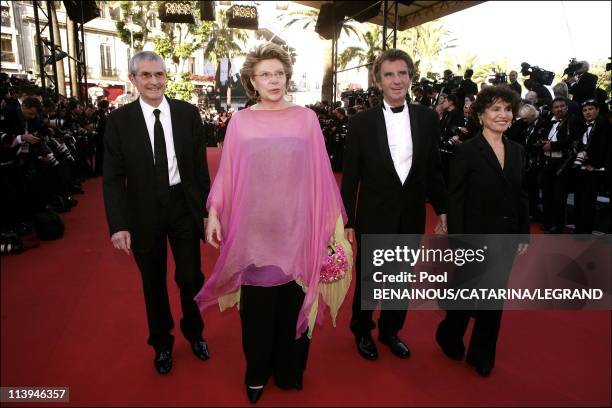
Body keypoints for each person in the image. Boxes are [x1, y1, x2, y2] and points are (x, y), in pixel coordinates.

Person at [194, 43, 351, 404]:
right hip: (255, 231)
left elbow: (321, 173)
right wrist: (215, 212)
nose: (273, 80)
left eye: (278, 73)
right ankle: (257, 372)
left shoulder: (306, 119)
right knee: (259, 308)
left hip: (298, 228)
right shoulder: (241, 121)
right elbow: (229, 174)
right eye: (265, 74)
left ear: (287, 76)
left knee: (294, 302)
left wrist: (331, 222)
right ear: (252, 80)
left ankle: (289, 369)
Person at [103, 51, 211, 375]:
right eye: (146, 75)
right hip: (142, 212)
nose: (154, 81)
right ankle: (162, 343)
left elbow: (200, 170)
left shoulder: (188, 114)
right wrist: (118, 224)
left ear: (166, 77)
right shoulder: (119, 122)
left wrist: (207, 213)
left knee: (191, 277)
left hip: (182, 207)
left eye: (159, 74)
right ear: (134, 79)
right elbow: (111, 178)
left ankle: (195, 332)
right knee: (153, 283)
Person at [341, 49, 448, 362]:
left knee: (401, 278)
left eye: (402, 73)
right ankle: (362, 329)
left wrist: (443, 209)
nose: (397, 80)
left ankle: (390, 331)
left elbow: (434, 169)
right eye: (389, 74)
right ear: (378, 81)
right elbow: (351, 176)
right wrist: (347, 221)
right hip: (374, 214)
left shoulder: (428, 118)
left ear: (410, 77)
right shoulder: (361, 122)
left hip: (411, 214)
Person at [435, 85, 529, 377]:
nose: (503, 115)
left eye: (507, 109)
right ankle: (449, 334)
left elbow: (521, 195)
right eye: (496, 109)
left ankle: (482, 354)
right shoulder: (466, 151)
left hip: (505, 236)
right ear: (480, 115)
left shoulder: (517, 151)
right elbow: (456, 199)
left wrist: (523, 233)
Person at [571, 99, 611, 233]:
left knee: (588, 203)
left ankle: (585, 232)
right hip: (579, 170)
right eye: (585, 110)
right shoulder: (580, 127)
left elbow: (605, 149)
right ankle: (578, 230)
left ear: (597, 110)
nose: (587, 112)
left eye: (591, 109)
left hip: (594, 171)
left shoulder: (604, 126)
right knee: (579, 201)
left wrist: (594, 165)